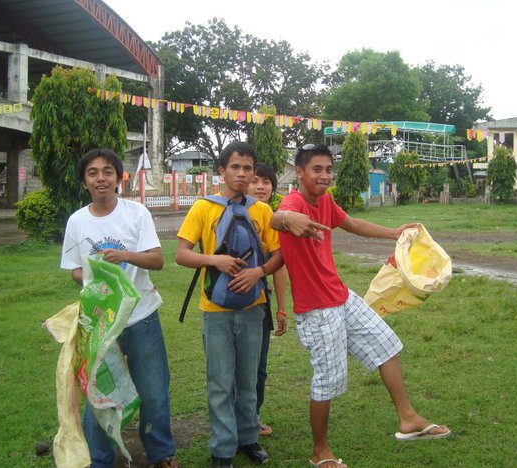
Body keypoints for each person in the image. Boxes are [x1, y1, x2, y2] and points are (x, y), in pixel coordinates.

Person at [270, 143, 451, 468]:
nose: (325, 176)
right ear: (299, 172)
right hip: (316, 309)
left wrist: (393, 233)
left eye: (328, 169)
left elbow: (351, 223)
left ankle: (407, 419)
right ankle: (319, 452)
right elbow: (276, 217)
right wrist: (287, 218)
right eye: (317, 169)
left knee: (386, 345)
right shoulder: (293, 201)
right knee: (328, 378)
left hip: (341, 296)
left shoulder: (324, 200)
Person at [60, 148, 179, 468]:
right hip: (99, 321)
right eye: (93, 173)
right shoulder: (77, 221)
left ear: (118, 178)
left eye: (107, 171)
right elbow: (74, 270)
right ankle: (98, 459)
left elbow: (157, 260)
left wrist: (124, 257)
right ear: (85, 181)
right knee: (98, 393)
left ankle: (161, 453)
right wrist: (95, 276)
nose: (101, 178)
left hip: (141, 316)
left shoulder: (136, 213)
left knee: (154, 391)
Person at [175, 142, 283, 468]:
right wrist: (215, 260)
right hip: (215, 312)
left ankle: (248, 438)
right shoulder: (203, 208)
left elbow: (279, 256)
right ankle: (223, 449)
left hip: (254, 308)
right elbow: (181, 254)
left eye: (247, 168)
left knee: (248, 381)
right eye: (235, 167)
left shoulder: (263, 211)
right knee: (220, 383)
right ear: (221, 171)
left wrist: (257, 273)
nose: (242, 173)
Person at [246, 163, 289, 437]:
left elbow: (280, 264)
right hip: (227, 302)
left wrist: (282, 308)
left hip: (261, 300)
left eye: (267, 182)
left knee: (259, 367)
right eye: (255, 181)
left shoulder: (271, 217)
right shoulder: (225, 210)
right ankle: (233, 422)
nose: (261, 187)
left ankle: (253, 417)